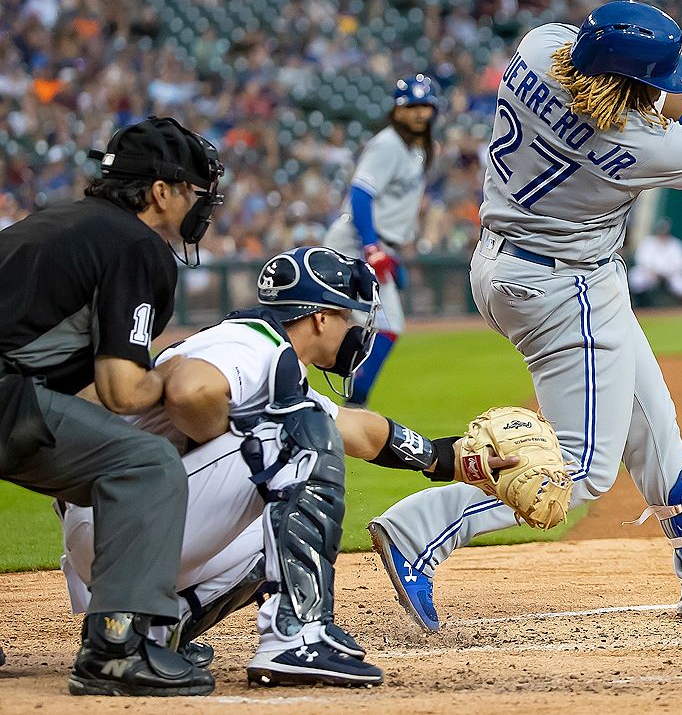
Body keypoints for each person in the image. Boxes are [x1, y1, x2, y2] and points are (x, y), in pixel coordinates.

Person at [367, 0, 682, 632]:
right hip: (562, 286)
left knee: (651, 421)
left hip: (508, 261)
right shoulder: (640, 143)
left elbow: (639, 95)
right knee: (577, 472)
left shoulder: (541, 46)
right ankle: (421, 529)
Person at [59, 246, 516, 687]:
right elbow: (190, 391)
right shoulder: (250, 344)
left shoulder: (261, 350)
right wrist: (226, 436)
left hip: (116, 531)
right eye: (347, 317)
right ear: (320, 318)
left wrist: (449, 458)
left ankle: (149, 629)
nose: (355, 331)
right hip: (122, 524)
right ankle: (296, 636)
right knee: (296, 438)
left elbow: (357, 432)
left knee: (282, 519)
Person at [0, 116, 223, 695]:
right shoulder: (136, 245)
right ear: (160, 192)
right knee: (143, 464)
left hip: (11, 389)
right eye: (194, 191)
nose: (201, 203)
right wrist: (170, 372)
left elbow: (66, 380)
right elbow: (123, 389)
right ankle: (118, 649)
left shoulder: (58, 220)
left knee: (90, 446)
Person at [324, 74, 439, 406]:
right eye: (412, 106)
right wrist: (372, 247)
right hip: (355, 241)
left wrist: (387, 250)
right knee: (384, 325)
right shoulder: (388, 143)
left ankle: (351, 397)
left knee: (343, 319)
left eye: (425, 106)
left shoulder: (415, 149)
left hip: (376, 243)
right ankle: (355, 400)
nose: (420, 113)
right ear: (397, 110)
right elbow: (361, 194)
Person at [628, 217, 682, 307]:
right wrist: (653, 273)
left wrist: (667, 274)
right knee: (635, 278)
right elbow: (641, 261)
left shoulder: (675, 244)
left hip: (671, 275)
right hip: (650, 274)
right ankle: (638, 303)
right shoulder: (648, 242)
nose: (662, 234)